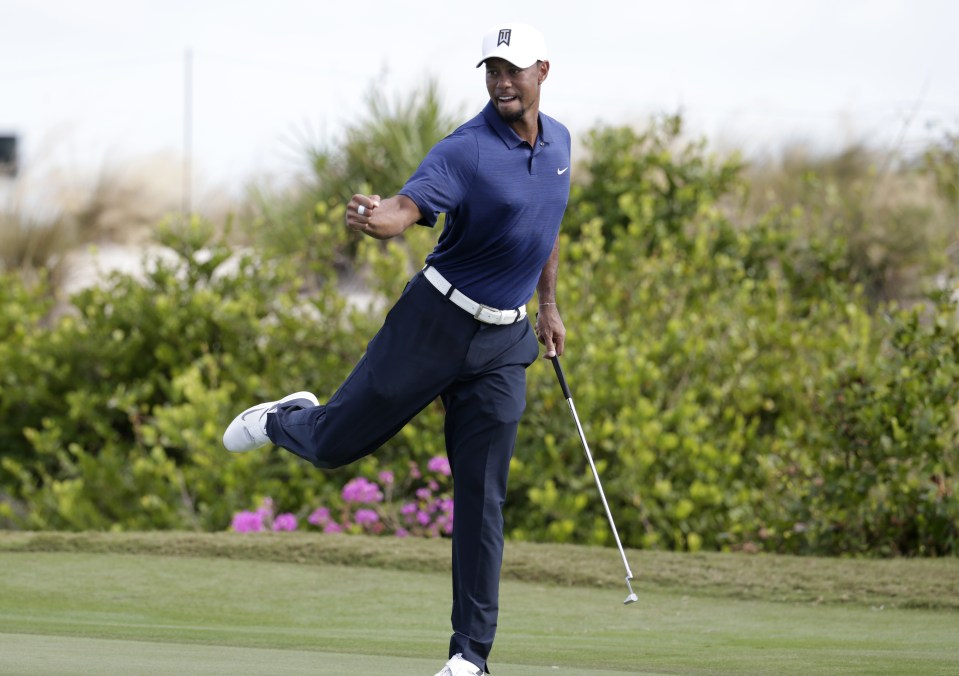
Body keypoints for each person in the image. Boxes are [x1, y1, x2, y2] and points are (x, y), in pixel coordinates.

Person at [223, 21, 570, 676]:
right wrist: (372, 217)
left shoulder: (560, 145)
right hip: (432, 325)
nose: (500, 82)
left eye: (512, 70)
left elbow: (546, 224)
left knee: (481, 497)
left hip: (503, 342)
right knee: (331, 446)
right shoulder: (464, 150)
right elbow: (407, 208)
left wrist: (548, 307)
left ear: (541, 72)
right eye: (491, 70)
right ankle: (280, 419)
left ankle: (469, 657)